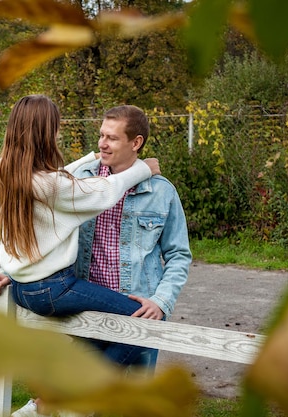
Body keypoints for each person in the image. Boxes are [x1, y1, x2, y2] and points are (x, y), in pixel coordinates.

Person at [0, 95, 160, 417]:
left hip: (23, 287)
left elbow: (56, 179)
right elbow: (99, 192)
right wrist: (142, 170)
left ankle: (43, 405)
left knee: (99, 335)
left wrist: (90, 157)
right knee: (142, 328)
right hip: (53, 288)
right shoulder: (49, 185)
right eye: (55, 127)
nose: (58, 133)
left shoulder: (4, 170)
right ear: (42, 132)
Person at [73, 104, 192, 369]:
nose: (102, 144)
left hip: (139, 313)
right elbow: (48, 230)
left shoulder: (161, 192)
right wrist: (10, 271)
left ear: (136, 142)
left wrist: (161, 302)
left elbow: (179, 255)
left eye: (112, 138)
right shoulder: (81, 181)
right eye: (102, 135)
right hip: (88, 309)